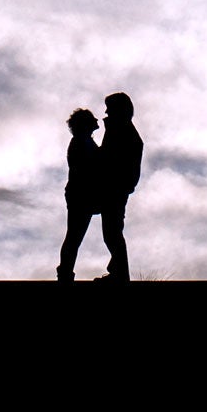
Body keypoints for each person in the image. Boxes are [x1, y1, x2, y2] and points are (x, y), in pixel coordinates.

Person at [95, 92, 143, 282]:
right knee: (112, 232)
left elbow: (110, 159)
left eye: (110, 107)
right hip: (115, 188)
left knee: (112, 232)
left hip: (115, 189)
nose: (106, 112)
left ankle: (120, 275)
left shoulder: (122, 131)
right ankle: (118, 272)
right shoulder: (119, 129)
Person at [56, 107, 102, 282]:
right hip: (80, 196)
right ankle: (65, 274)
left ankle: (65, 273)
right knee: (74, 236)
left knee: (74, 236)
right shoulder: (80, 143)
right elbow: (87, 168)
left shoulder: (85, 142)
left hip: (82, 195)